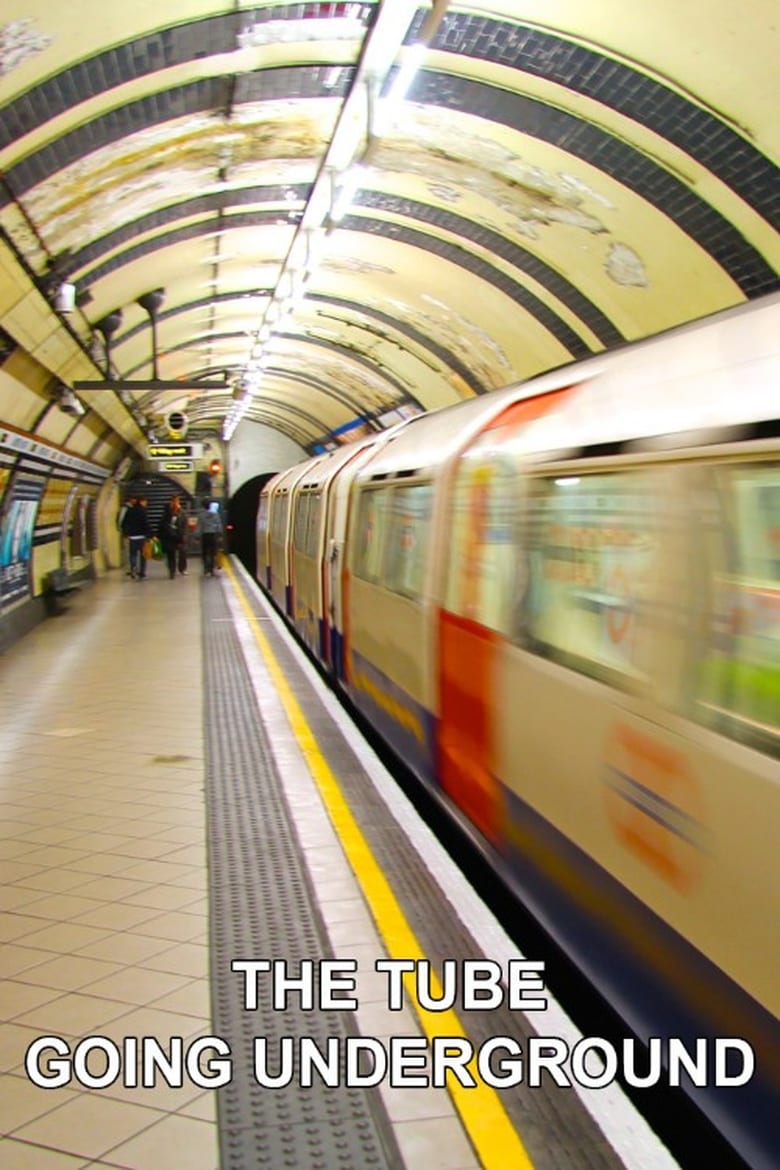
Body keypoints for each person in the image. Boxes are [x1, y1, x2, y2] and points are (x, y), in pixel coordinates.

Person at [158, 495, 188, 580]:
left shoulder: (181, 512)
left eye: (177, 501)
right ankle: (172, 571)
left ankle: (182, 568)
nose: (176, 503)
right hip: (169, 537)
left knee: (182, 552)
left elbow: (184, 524)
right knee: (171, 555)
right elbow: (162, 524)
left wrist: (184, 535)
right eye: (174, 501)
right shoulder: (167, 512)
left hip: (179, 536)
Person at [121, 497, 150, 580]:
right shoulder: (143, 511)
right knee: (143, 556)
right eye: (145, 502)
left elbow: (124, 523)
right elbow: (146, 524)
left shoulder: (130, 511)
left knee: (133, 554)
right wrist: (149, 535)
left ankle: (133, 567)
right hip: (142, 537)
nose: (146, 504)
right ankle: (142, 572)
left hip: (132, 537)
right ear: (141, 501)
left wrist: (126, 533)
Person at [197, 499, 223, 576]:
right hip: (213, 535)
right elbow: (219, 525)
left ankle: (205, 568)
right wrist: (220, 535)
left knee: (204, 552)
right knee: (212, 552)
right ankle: (211, 569)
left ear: (203, 506)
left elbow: (199, 527)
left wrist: (197, 537)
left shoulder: (201, 515)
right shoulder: (215, 514)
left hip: (205, 535)